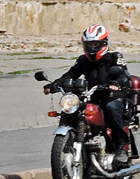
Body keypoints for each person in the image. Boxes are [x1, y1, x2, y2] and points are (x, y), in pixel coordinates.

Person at [47, 25, 134, 165]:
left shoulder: (114, 57)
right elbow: (71, 74)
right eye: (89, 44)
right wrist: (55, 84)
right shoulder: (83, 60)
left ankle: (121, 148)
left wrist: (116, 82)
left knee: (111, 108)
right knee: (73, 111)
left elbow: (123, 74)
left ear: (104, 43)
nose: (92, 48)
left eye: (95, 44)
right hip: (92, 96)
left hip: (113, 95)